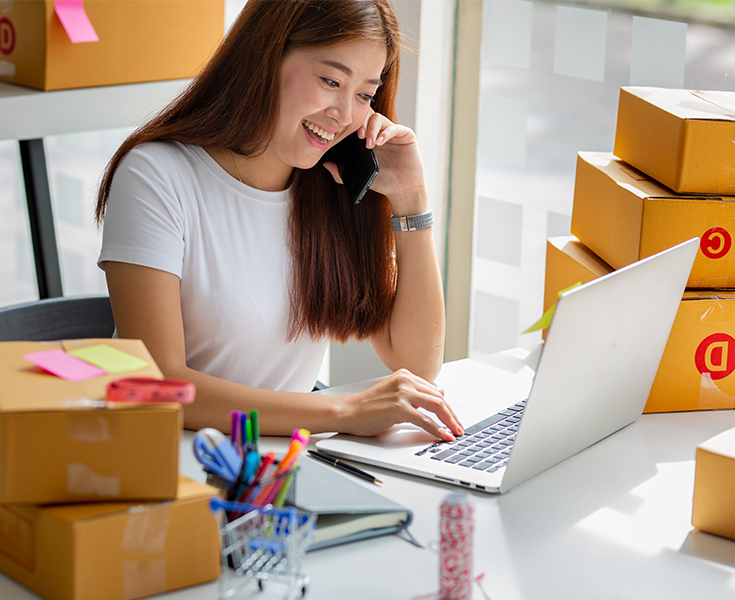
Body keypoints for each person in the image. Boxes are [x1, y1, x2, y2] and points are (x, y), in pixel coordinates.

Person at [96, 0, 463, 441]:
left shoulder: (330, 186)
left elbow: (417, 363)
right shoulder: (156, 174)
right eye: (330, 80)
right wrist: (343, 410)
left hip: (283, 468)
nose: (345, 115)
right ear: (266, 56)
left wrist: (411, 197)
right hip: (173, 468)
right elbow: (161, 384)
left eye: (364, 95)